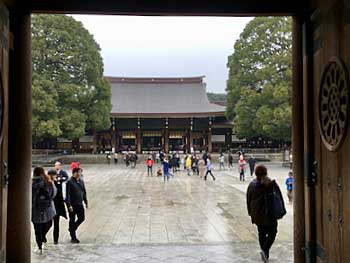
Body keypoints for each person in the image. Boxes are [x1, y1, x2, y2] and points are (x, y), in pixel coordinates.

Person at [247, 165, 283, 262]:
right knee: (273, 232)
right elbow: (279, 197)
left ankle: (265, 253)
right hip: (270, 213)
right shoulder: (271, 184)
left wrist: (250, 212)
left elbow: (248, 199)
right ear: (266, 173)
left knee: (261, 232)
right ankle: (265, 250)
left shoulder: (252, 185)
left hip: (257, 214)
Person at [32, 167, 57, 254]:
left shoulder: (31, 183)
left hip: (35, 209)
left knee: (37, 229)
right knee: (48, 224)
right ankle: (43, 238)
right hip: (48, 209)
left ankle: (39, 246)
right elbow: (54, 194)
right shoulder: (48, 182)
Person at [66, 167, 88, 243]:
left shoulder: (81, 181)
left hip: (79, 203)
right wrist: (69, 205)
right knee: (72, 220)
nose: (79, 174)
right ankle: (73, 237)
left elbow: (83, 191)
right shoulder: (69, 182)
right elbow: (67, 194)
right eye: (78, 172)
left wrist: (85, 201)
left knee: (82, 218)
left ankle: (72, 228)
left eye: (80, 172)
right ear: (74, 173)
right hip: (72, 204)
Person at [52, 162, 69, 244]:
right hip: (50, 206)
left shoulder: (63, 175)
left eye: (58, 165)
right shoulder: (50, 184)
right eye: (56, 165)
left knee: (56, 223)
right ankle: (43, 236)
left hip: (57, 207)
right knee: (48, 223)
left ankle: (55, 240)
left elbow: (66, 179)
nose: (57, 167)